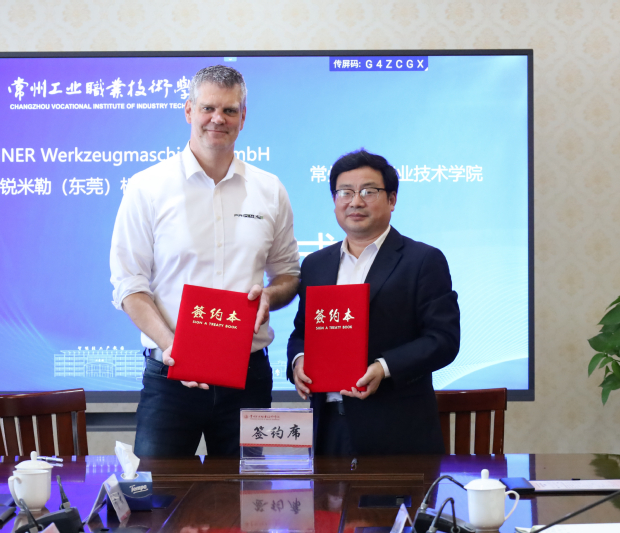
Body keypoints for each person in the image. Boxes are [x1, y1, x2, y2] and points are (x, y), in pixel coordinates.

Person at [110, 65, 300, 457]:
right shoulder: (147, 187)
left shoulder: (269, 189)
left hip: (248, 376)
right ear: (188, 111)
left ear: (243, 117)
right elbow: (129, 286)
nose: (218, 119)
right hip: (170, 376)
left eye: (229, 110)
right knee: (158, 489)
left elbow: (288, 274)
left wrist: (270, 295)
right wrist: (174, 347)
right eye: (208, 108)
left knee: (247, 491)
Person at [287, 149, 460, 455]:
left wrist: (384, 367)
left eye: (368, 191)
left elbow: (443, 339)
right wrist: (298, 360)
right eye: (345, 192)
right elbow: (301, 333)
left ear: (392, 200)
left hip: (396, 431)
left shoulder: (422, 260)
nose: (355, 201)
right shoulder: (315, 264)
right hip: (328, 429)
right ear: (334, 200)